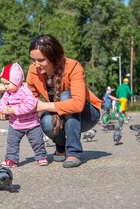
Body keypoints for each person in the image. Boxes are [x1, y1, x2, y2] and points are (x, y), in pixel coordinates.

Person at [26, 34, 102, 168]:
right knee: (45, 120)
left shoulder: (73, 67)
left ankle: (73, 151)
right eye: (33, 59)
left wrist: (43, 105)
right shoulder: (33, 71)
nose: (36, 64)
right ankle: (61, 145)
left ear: (53, 58)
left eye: (41, 60)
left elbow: (78, 105)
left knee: (66, 96)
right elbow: (30, 102)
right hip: (60, 115)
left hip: (87, 115)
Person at [0, 62, 48, 167]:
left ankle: (41, 156)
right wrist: (4, 109)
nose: (5, 87)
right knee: (12, 143)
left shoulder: (25, 91)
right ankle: (11, 159)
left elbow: (31, 104)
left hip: (32, 124)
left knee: (37, 141)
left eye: (7, 83)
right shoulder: (8, 94)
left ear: (17, 81)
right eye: (4, 84)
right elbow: (0, 103)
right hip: (15, 125)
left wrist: (15, 110)